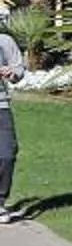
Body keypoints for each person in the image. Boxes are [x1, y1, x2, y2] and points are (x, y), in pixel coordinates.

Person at [0, 25, 24, 225]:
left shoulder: (5, 41)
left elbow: (18, 71)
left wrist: (11, 73)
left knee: (7, 154)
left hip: (1, 106)